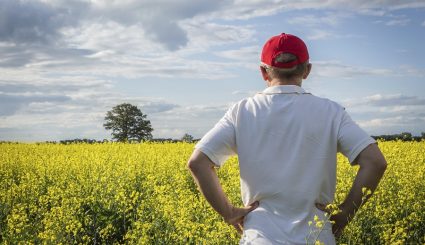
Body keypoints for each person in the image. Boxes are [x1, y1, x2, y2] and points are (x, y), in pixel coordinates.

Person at [187, 33, 387, 244]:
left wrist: (228, 212)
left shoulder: (242, 111)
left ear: (263, 72)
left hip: (260, 237)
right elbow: (375, 162)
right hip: (317, 237)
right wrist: (345, 213)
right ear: (307, 70)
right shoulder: (331, 112)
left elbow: (198, 163)